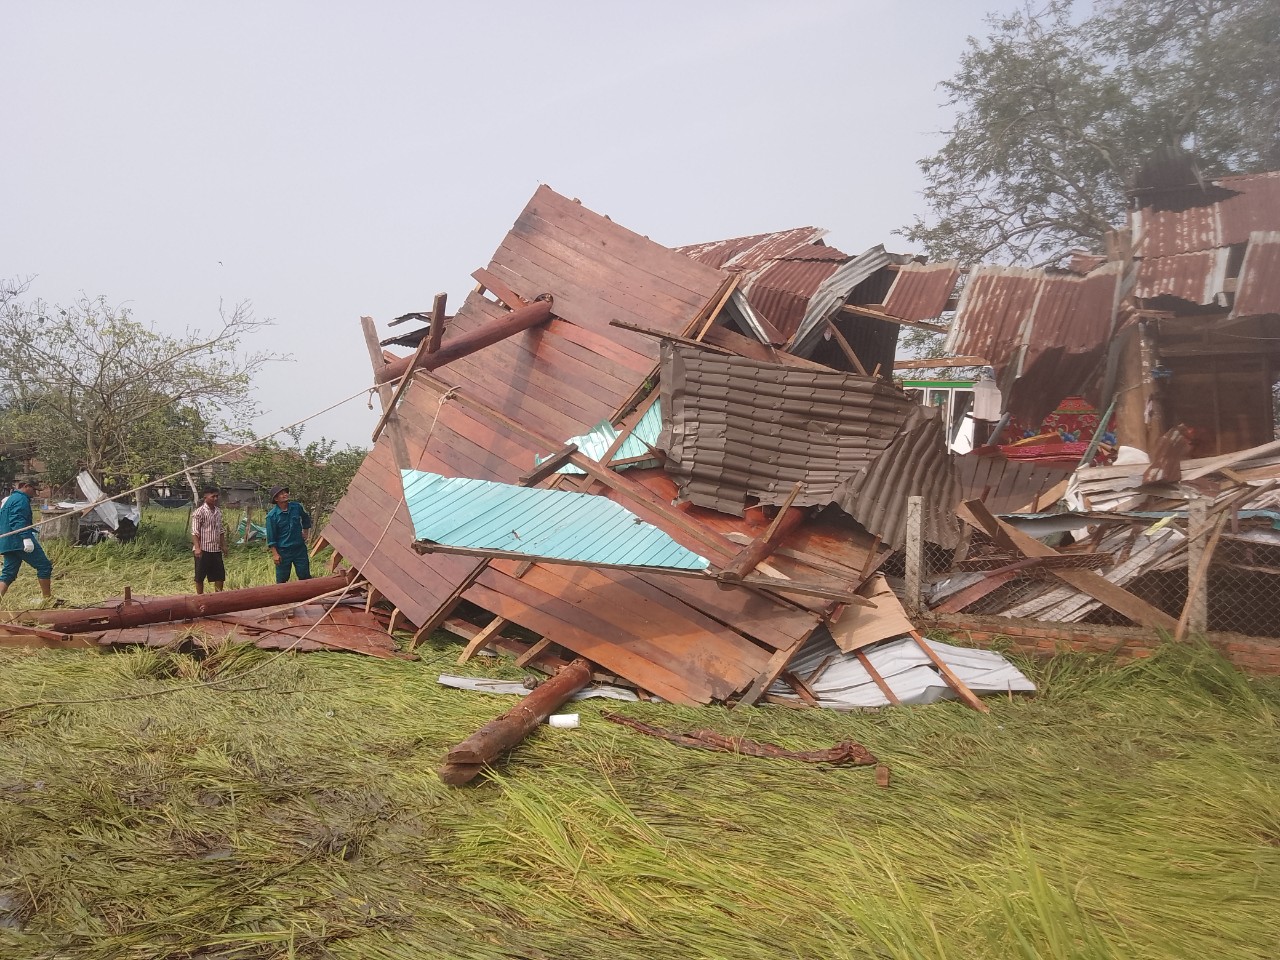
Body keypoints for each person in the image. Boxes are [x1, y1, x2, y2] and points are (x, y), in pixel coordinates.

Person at [0, 479, 54, 604]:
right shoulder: (21, 499)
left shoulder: (9, 500)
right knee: (44, 566)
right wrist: (26, 538)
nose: (35, 493)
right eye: (34, 490)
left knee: (8, 574)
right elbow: (17, 519)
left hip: (7, 542)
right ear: (26, 486)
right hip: (19, 541)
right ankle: (48, 599)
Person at [265, 485, 312, 583]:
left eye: (285, 492)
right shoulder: (272, 516)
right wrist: (275, 554)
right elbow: (271, 537)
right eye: (281, 494)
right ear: (276, 499)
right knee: (282, 578)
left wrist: (306, 532)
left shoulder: (296, 507)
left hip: (299, 549)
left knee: (305, 576)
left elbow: (305, 518)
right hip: (283, 551)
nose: (285, 495)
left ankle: (308, 596)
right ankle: (281, 597)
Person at [191, 485, 226, 594]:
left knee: (220, 576)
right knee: (200, 576)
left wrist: (223, 545)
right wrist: (197, 548)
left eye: (217, 496)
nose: (215, 499)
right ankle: (200, 597)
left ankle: (218, 597)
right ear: (205, 497)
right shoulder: (199, 512)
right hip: (203, 549)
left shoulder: (218, 512)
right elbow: (194, 532)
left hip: (215, 549)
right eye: (213, 496)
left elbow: (220, 530)